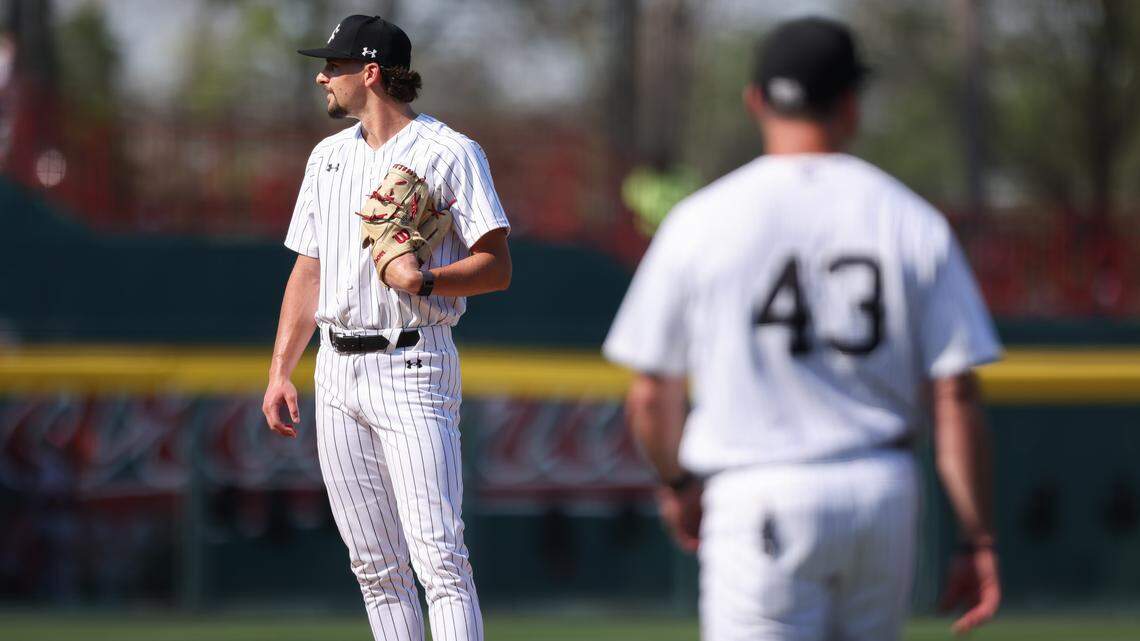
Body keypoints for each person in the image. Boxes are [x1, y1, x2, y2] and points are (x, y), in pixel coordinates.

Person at [603, 17, 1001, 641]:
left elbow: (650, 394)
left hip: (759, 490)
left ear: (756, 100)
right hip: (882, 490)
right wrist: (977, 537)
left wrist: (678, 484)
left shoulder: (701, 220)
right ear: (850, 104)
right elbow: (956, 394)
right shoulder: (911, 219)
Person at [261, 14, 511, 641]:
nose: (323, 77)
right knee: (375, 567)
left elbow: (497, 267)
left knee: (440, 559)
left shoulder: (451, 152)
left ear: (369, 74)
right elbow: (307, 271)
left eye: (335, 67)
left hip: (412, 363)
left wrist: (424, 280)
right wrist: (280, 372)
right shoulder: (327, 158)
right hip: (338, 370)